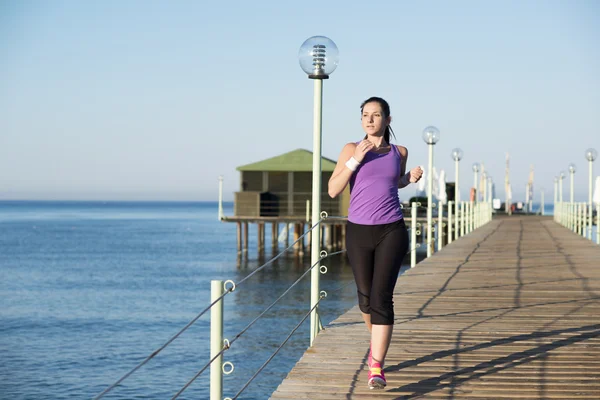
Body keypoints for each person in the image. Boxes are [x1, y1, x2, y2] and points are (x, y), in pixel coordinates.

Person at [328, 96, 423, 390]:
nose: (369, 120)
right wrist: (356, 159)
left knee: (382, 298)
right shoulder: (350, 148)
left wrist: (407, 179)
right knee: (365, 298)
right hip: (358, 231)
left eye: (376, 114)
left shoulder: (399, 151)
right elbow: (333, 189)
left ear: (388, 120)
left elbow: (390, 182)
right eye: (365, 115)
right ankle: (376, 345)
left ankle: (376, 366)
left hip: (391, 230)